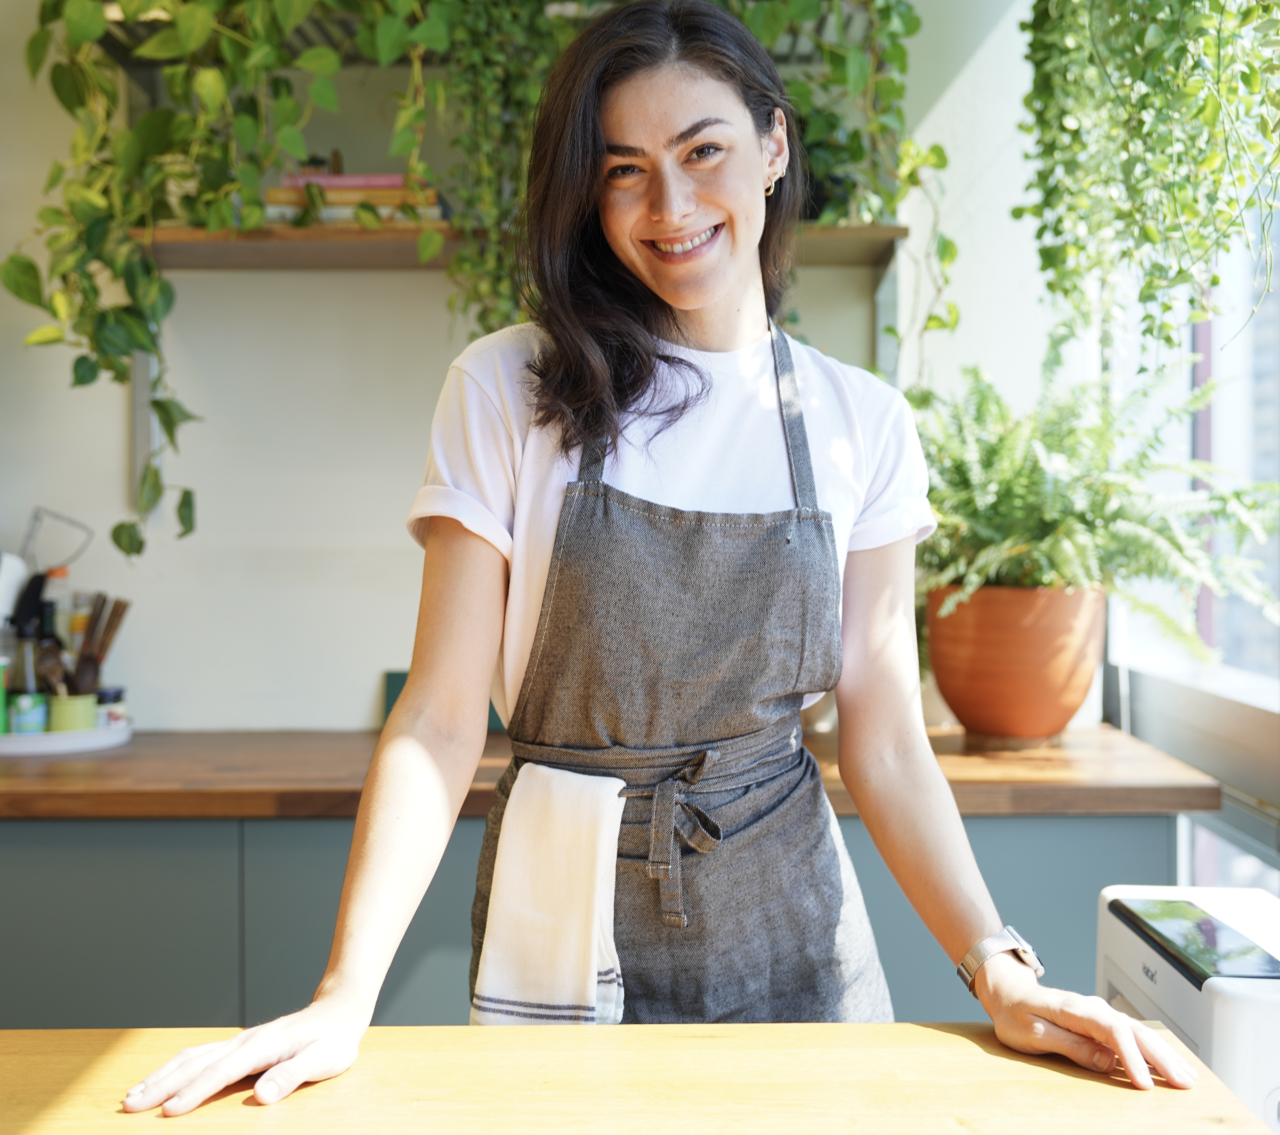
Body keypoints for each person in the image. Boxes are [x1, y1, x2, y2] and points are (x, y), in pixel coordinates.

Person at [123, 0, 1196, 1115]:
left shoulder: (857, 422)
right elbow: (441, 721)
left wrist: (997, 966)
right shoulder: (505, 390)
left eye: (703, 153)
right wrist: (344, 997)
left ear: (773, 148)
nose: (670, 206)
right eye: (623, 169)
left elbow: (879, 729)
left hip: (792, 938)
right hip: (561, 911)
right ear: (585, 194)